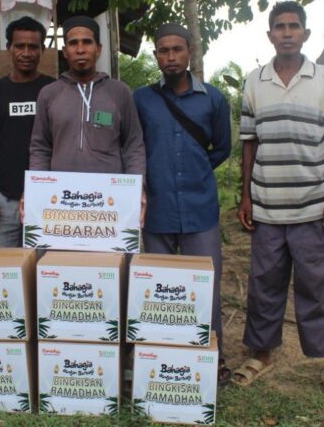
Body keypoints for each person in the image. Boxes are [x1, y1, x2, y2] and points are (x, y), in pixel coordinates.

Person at [235, 1, 324, 400]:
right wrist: (245, 195)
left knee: (320, 286)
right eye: (280, 26)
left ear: (305, 33)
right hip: (267, 206)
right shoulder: (254, 81)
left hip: (313, 205)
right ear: (270, 35)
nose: (287, 32)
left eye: (294, 26)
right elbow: (249, 142)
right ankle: (261, 355)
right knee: (264, 285)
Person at [132, 23, 232, 384]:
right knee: (160, 289)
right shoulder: (141, 99)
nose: (170, 57)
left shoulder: (213, 99)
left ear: (190, 52)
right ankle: (165, 359)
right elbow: (134, 146)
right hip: (156, 210)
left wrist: (196, 170)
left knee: (205, 287)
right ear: (155, 55)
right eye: (163, 50)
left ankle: (213, 359)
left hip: (199, 208)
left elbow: (222, 147)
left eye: (177, 49)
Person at [28, 15, 146, 222]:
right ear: (65, 51)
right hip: (61, 200)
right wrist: (37, 191)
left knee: (109, 247)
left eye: (87, 42)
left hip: (110, 201)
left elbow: (133, 146)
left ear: (98, 49)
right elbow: (40, 147)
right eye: (73, 43)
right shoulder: (49, 94)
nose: (80, 49)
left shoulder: (119, 92)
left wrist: (137, 188)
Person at [0, 16, 55, 247]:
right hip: (4, 199)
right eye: (20, 46)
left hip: (47, 198)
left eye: (33, 47)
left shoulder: (54, 90)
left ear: (42, 49)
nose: (26, 53)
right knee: (3, 266)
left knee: (44, 266)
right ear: (9, 47)